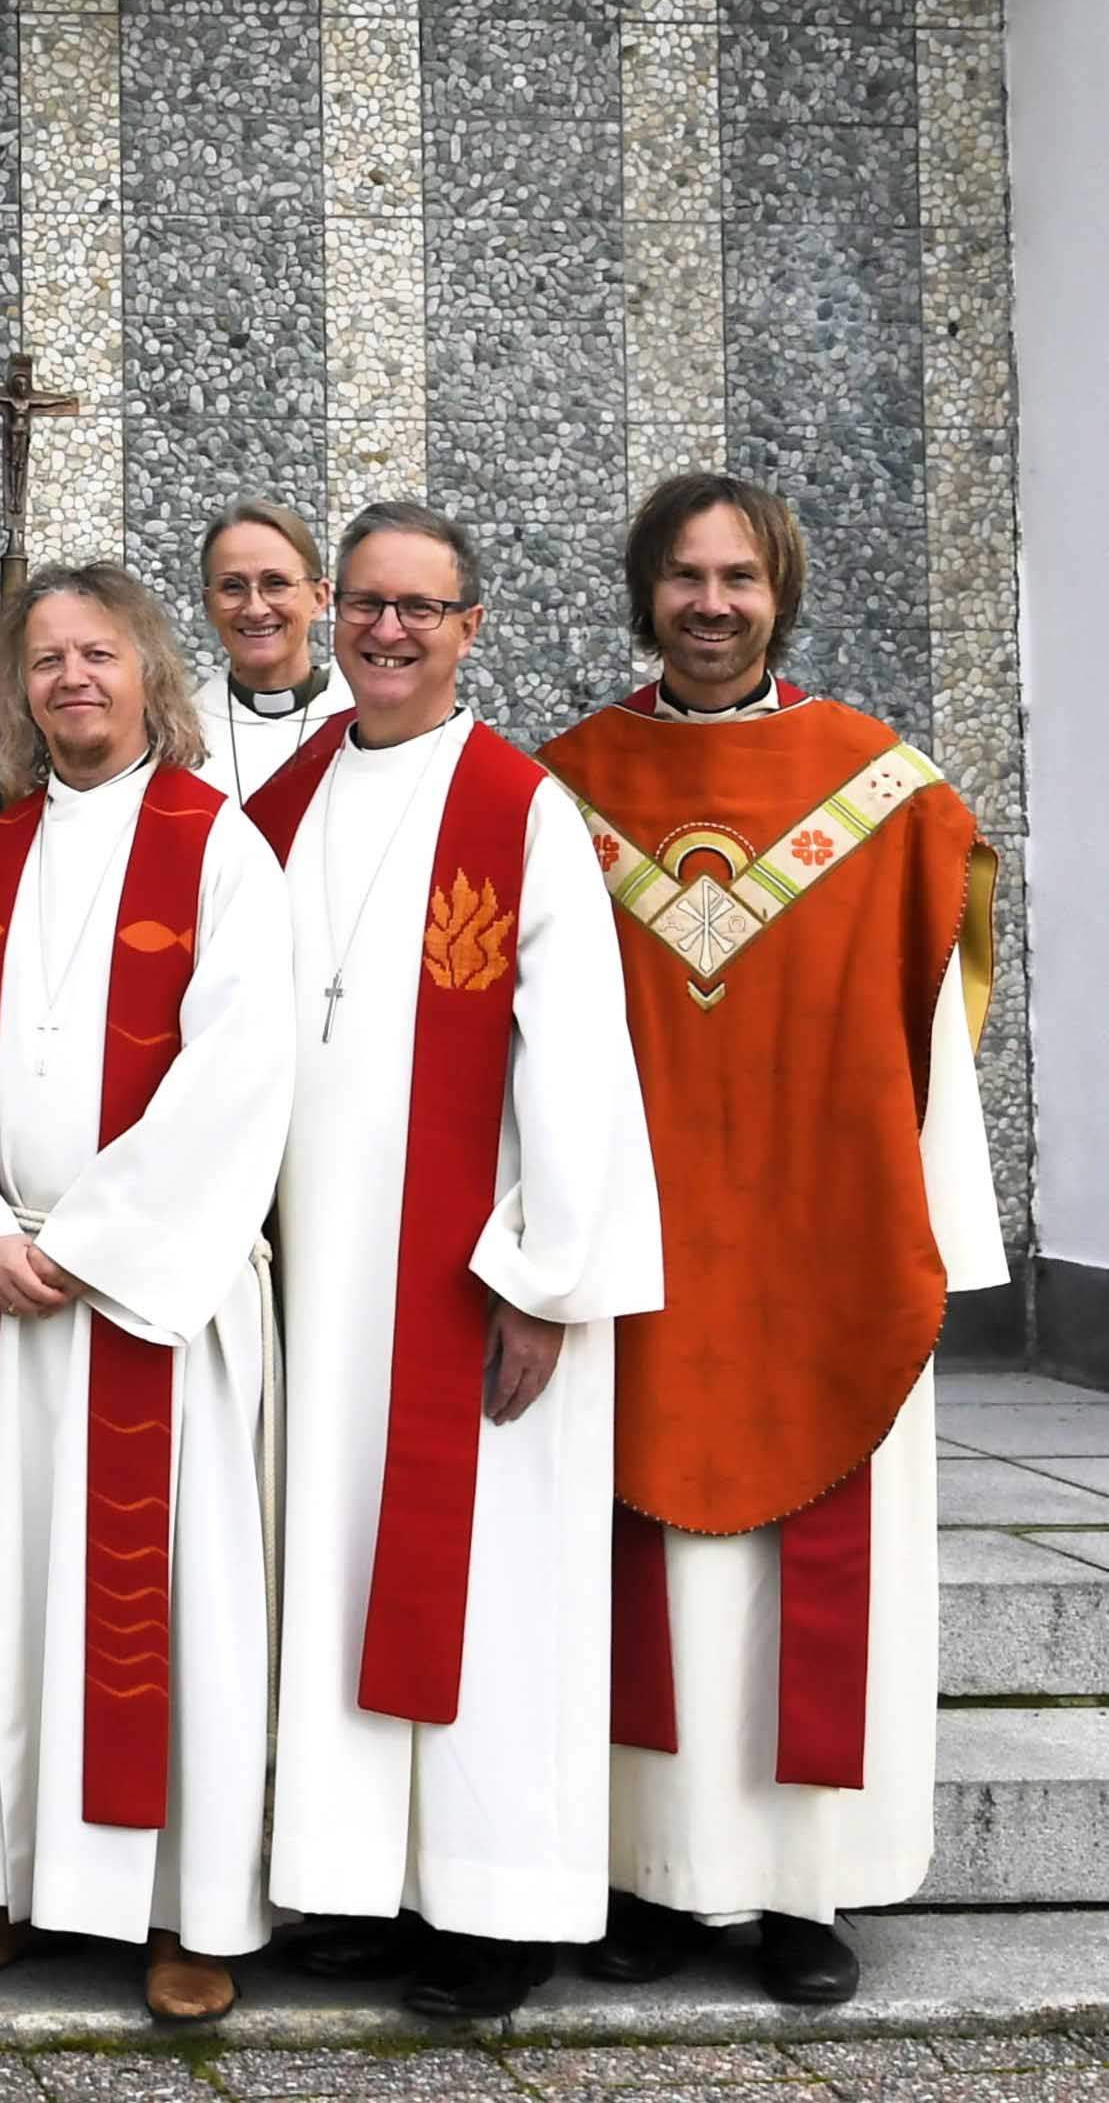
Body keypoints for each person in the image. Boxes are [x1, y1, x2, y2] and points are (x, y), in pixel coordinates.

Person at [543, 476, 1005, 2008]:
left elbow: (929, 1016)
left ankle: (812, 1892)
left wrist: (932, 1240)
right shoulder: (565, 790)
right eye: (684, 577)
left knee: (819, 1576)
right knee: (648, 1574)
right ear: (644, 592)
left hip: (827, 1237)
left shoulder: (885, 791)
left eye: (739, 577)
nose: (712, 604)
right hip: (642, 1254)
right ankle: (652, 1880)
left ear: (780, 591)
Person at [256, 502, 662, 2021]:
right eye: (364, 603)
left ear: (469, 629)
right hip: (320, 1282)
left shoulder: (518, 809)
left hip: (469, 1280)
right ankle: (365, 1881)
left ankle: (497, 1906)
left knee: (496, 1598)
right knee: (343, 1573)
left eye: (421, 609)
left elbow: (577, 1061)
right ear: (325, 614)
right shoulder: (285, 803)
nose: (387, 631)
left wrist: (546, 1280)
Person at [0, 566, 295, 2023]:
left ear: (149, 674)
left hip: (144, 1301)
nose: (72, 678)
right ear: (19, 689)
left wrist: (99, 1241)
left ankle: (187, 1911)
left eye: (98, 653)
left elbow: (241, 1077)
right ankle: (5, 1886)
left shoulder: (221, 849)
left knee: (162, 1600)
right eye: (46, 659)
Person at [187, 500, 339, 803]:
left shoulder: (365, 723)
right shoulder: (181, 735)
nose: (255, 609)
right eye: (232, 587)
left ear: (319, 598)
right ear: (208, 605)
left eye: (276, 584)